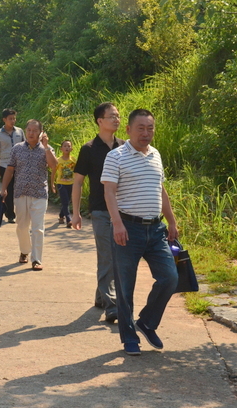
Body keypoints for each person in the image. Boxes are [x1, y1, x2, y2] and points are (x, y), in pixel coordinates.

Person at [101, 109, 179, 356]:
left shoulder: (156, 155)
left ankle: (146, 322)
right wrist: (117, 224)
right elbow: (109, 192)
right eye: (141, 128)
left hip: (156, 230)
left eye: (150, 128)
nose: (146, 133)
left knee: (170, 278)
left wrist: (172, 222)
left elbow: (161, 190)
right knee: (125, 287)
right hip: (127, 229)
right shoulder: (115, 156)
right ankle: (129, 338)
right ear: (128, 130)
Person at [71, 102, 124, 323]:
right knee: (106, 256)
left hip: (122, 211)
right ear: (100, 121)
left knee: (117, 256)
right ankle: (112, 306)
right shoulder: (89, 149)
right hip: (100, 210)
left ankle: (102, 297)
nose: (116, 119)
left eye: (118, 116)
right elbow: (77, 182)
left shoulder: (124, 147)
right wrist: (75, 213)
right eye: (112, 116)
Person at [0, 119, 58, 271]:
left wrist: (46, 146)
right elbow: (10, 169)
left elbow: (54, 165)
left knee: (38, 228)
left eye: (35, 131)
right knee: (22, 226)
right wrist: (4, 188)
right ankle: (24, 251)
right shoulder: (17, 149)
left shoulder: (47, 149)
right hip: (21, 193)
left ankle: (36, 259)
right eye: (29, 130)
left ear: (41, 132)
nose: (31, 133)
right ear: (25, 131)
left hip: (39, 193)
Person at [0, 109, 26, 224]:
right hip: (4, 165)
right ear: (4, 119)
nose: (13, 121)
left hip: (19, 165)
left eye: (14, 118)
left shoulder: (20, 132)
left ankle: (22, 213)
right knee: (9, 191)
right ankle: (10, 215)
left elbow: (25, 147)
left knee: (20, 190)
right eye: (10, 119)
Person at [51, 140, 76, 228]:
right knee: (65, 202)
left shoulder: (73, 160)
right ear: (61, 148)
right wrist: (52, 184)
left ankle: (61, 215)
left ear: (71, 149)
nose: (67, 148)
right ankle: (69, 220)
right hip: (61, 184)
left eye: (69, 146)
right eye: (65, 146)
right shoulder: (58, 160)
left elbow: (77, 172)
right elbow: (53, 173)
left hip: (71, 183)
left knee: (67, 201)